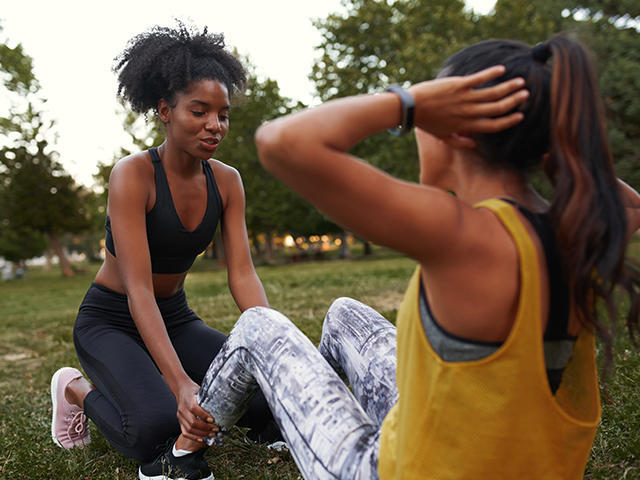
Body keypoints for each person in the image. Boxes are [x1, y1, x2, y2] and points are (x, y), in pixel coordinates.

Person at [193, 34, 640, 479]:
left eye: (424, 119)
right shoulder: (577, 231)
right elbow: (630, 205)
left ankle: (183, 451)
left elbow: (280, 141)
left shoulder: (462, 232)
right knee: (345, 315)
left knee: (259, 325)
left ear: (457, 130)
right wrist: (550, 146)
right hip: (502, 457)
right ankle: (283, 429)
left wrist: (408, 102)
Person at [50, 22, 277, 480]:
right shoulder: (133, 175)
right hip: (111, 320)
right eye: (199, 111)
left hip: (175, 318)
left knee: (267, 399)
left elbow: (242, 275)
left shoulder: (227, 181)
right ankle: (73, 388)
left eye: (223, 114)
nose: (215, 125)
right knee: (155, 428)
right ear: (164, 111)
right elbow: (136, 289)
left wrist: (275, 350)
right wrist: (180, 384)